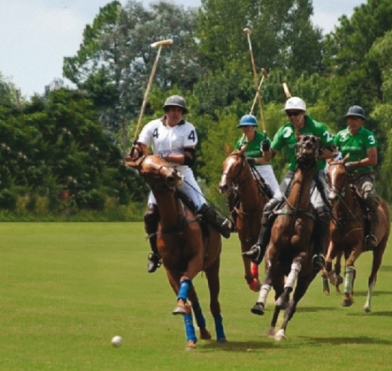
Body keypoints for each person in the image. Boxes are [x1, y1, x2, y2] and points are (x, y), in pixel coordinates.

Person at [132, 94, 231, 273]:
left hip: (182, 175)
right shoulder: (152, 126)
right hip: (159, 177)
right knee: (150, 214)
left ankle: (217, 229)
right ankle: (155, 253)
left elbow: (189, 158)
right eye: (172, 109)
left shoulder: (188, 129)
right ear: (166, 111)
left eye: (179, 110)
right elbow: (141, 147)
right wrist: (136, 150)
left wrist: (163, 157)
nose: (176, 113)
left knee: (202, 208)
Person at [242, 96, 335, 269]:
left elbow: (333, 151)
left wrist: (315, 153)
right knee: (270, 206)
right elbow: (269, 157)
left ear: (303, 113)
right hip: (294, 173)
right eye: (289, 114)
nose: (292, 117)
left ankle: (319, 253)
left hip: (316, 173)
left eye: (296, 113)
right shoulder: (285, 131)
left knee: (323, 211)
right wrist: (264, 149)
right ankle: (259, 247)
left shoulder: (318, 128)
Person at [333, 105, 380, 245]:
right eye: (350, 118)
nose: (352, 121)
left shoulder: (367, 135)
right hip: (344, 176)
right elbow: (334, 154)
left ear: (361, 121)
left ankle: (372, 232)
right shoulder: (340, 136)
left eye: (356, 119)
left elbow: (373, 159)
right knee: (328, 197)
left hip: (363, 176)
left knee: (369, 197)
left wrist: (353, 164)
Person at [234, 114, 279, 194]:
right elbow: (236, 160)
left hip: (264, 169)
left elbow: (267, 159)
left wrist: (254, 159)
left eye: (247, 126)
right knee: (235, 192)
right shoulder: (240, 142)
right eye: (243, 127)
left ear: (254, 127)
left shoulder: (263, 139)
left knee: (278, 195)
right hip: (247, 171)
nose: (245, 129)